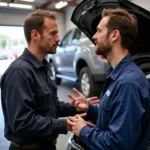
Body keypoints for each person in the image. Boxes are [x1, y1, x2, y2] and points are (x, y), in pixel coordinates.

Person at [0, 9, 99, 150]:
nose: (58, 38)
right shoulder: (19, 72)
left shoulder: (43, 66)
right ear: (35, 35)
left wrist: (75, 107)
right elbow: (22, 123)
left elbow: (50, 106)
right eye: (53, 33)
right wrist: (65, 125)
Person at [67, 8, 150, 150]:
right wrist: (90, 109)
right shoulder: (117, 74)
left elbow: (118, 144)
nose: (94, 36)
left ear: (114, 35)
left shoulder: (127, 83)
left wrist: (83, 130)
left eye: (99, 31)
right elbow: (115, 118)